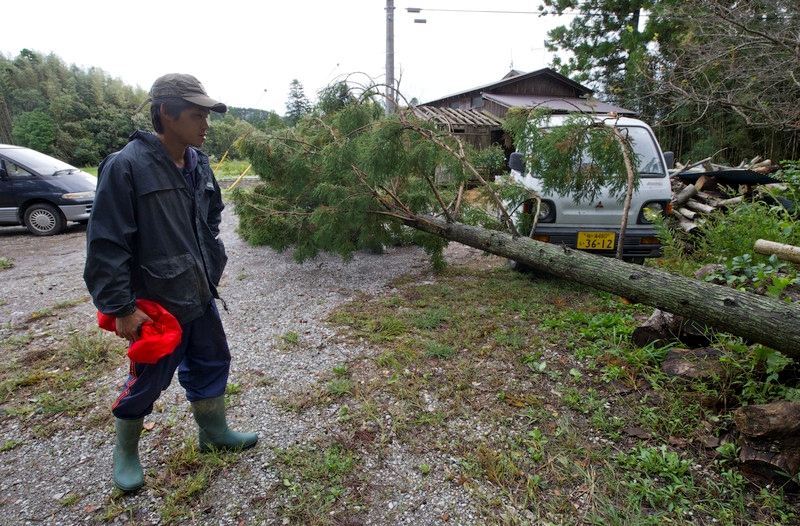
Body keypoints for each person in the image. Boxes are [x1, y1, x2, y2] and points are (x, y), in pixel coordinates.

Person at [84, 73, 257, 492]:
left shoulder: (199, 163)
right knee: (148, 378)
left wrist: (209, 252)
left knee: (213, 360)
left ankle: (213, 433)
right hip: (157, 305)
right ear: (165, 113)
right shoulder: (126, 166)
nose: (206, 123)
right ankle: (125, 453)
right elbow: (107, 243)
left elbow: (212, 211)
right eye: (198, 114)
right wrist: (121, 307)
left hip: (198, 291)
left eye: (207, 115)